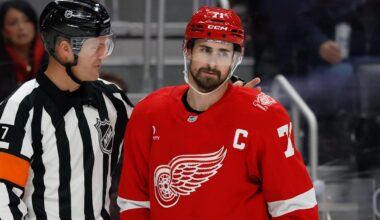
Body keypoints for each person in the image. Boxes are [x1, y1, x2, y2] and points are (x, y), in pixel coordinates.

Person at [118, 6, 318, 219]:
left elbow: (296, 207)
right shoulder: (149, 112)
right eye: (205, 50)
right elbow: (135, 201)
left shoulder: (265, 116)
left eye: (223, 52)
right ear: (188, 49)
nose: (212, 63)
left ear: (235, 58)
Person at [0, 0, 133, 219]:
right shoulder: (20, 108)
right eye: (96, 46)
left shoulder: (113, 99)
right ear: (65, 49)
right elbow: (4, 198)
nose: (103, 54)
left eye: (106, 45)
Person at [0, 0, 48, 102]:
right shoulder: (2, 61)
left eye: (26, 20)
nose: (21, 27)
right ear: (3, 31)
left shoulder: (52, 54)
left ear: (35, 24)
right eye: (13, 23)